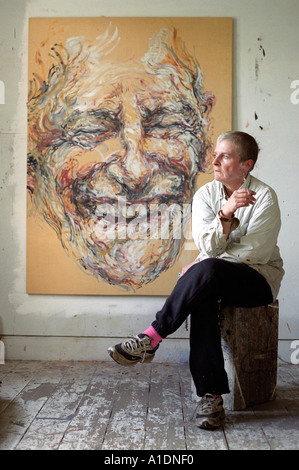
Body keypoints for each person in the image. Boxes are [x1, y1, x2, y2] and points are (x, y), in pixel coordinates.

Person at [108, 131, 284, 430]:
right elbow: (208, 245)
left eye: (225, 156)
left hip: (258, 281)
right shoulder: (206, 195)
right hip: (217, 279)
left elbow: (257, 252)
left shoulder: (264, 197)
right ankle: (211, 396)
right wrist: (226, 214)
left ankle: (152, 336)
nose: (214, 161)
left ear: (246, 165)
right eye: (215, 154)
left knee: (206, 272)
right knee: (203, 296)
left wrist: (204, 264)